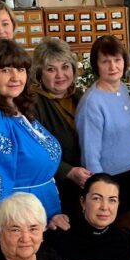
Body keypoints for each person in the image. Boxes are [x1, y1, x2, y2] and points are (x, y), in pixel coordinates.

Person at [0, 38, 66, 246]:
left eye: (21, 69)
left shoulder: (12, 105)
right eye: (5, 70)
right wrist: (13, 237)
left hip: (35, 221)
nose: (16, 77)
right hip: (14, 234)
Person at [76, 35, 130, 210]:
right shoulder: (92, 102)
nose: (113, 67)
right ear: (96, 65)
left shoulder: (122, 88)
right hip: (113, 183)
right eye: (105, 61)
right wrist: (102, 192)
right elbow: (90, 156)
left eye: (117, 60)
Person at [31, 38, 89, 215]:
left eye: (65, 67)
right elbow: (34, 150)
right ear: (39, 74)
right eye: (51, 69)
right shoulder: (32, 103)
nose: (60, 75)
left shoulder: (80, 96)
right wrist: (68, 171)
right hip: (57, 190)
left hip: (86, 184)